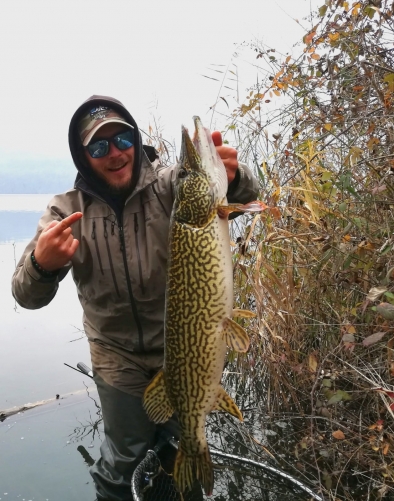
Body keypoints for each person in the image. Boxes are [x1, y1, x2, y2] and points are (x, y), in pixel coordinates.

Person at [11, 95, 259, 501]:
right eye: (98, 146)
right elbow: (25, 295)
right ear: (83, 155)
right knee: (125, 460)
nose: (115, 153)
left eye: (122, 138)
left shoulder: (170, 186)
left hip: (182, 352)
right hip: (116, 356)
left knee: (185, 450)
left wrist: (233, 176)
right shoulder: (65, 210)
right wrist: (42, 264)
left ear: (135, 138)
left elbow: (247, 193)